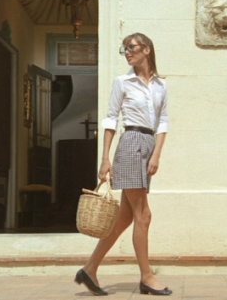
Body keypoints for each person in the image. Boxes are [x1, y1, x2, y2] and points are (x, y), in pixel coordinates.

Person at [74, 33, 172, 296]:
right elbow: (110, 120)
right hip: (129, 144)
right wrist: (105, 158)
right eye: (124, 48)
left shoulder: (161, 85)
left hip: (148, 144)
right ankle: (147, 277)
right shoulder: (123, 82)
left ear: (147, 50)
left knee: (127, 216)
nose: (127, 52)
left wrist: (157, 154)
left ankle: (90, 269)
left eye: (132, 47)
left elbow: (163, 122)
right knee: (144, 215)